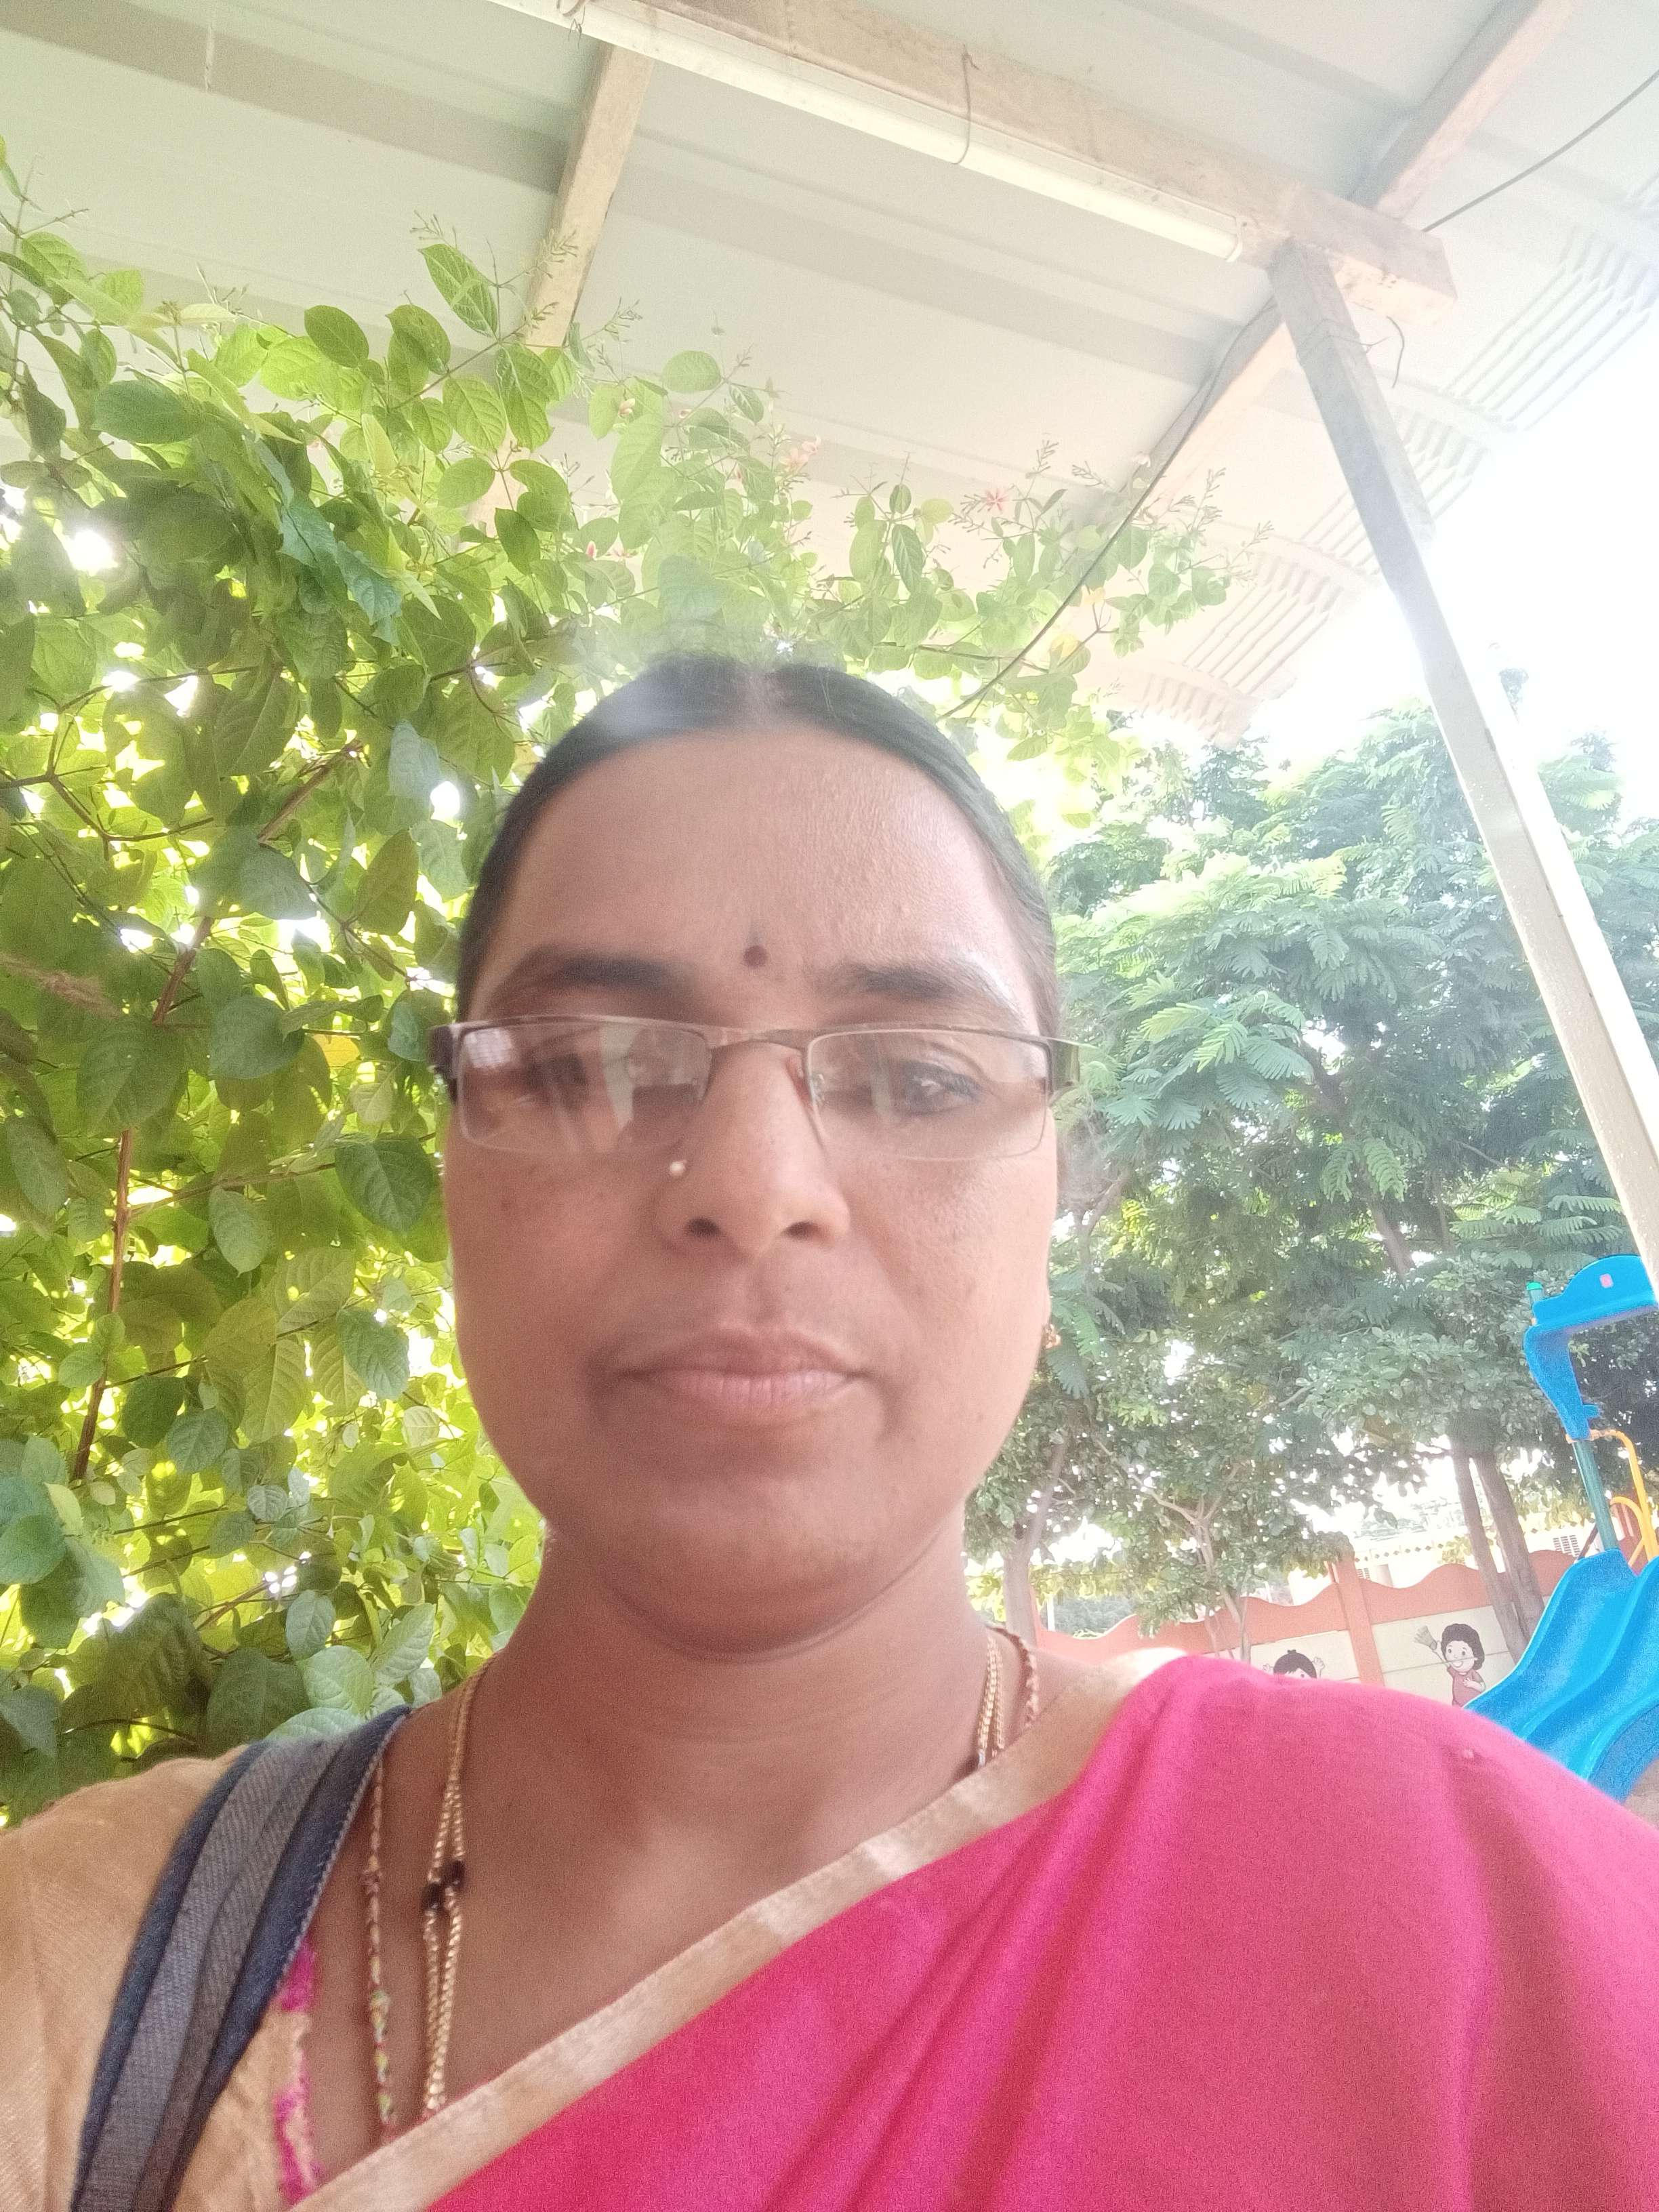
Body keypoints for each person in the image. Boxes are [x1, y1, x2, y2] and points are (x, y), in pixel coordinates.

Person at [4, 654, 1659, 2212]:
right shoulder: (80, 1981)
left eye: (919, 1078)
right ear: (453, 1172)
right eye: (588, 1064)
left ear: (1052, 1198)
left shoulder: (1477, 1908)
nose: (753, 1186)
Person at [1441, 1621, 1488, 1706]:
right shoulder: (1455, 1673)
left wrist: (1473, 1684)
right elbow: (1446, 1664)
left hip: (1475, 1704)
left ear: (1476, 1656)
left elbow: (1482, 1687)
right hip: (1458, 1705)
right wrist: (1433, 1646)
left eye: (1463, 1653)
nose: (1455, 1656)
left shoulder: (1472, 1673)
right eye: (1450, 1651)